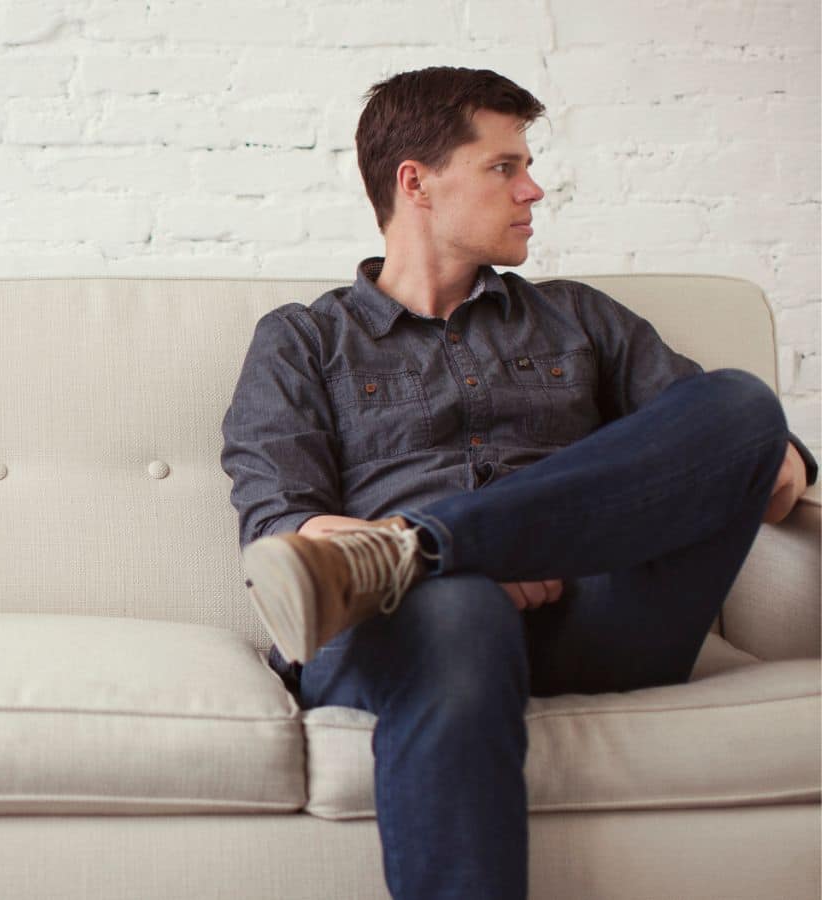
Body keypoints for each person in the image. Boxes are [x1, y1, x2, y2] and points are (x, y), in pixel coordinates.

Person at [221, 66, 815, 900]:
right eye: (504, 167)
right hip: (407, 628)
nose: (533, 189)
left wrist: (507, 539)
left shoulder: (579, 317)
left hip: (600, 615)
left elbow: (754, 458)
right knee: (456, 604)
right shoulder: (304, 342)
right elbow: (288, 536)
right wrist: (480, 571)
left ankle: (427, 546)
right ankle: (435, 565)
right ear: (416, 183)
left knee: (745, 402)